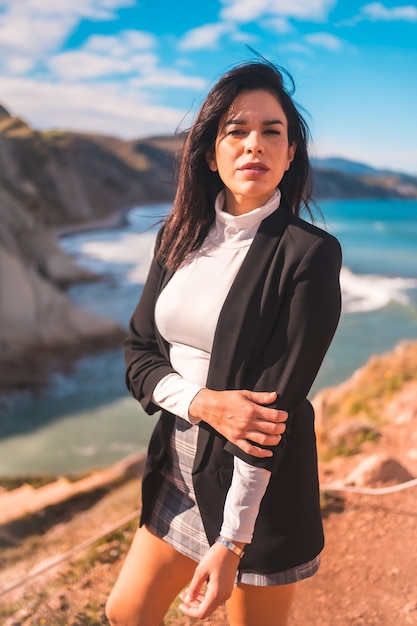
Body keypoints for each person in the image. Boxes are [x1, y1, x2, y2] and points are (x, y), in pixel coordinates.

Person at [106, 59, 342, 626]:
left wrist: (232, 542)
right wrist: (202, 402)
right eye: (235, 130)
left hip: (256, 481)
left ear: (290, 155)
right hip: (178, 456)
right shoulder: (178, 234)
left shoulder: (309, 255)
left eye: (271, 131)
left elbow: (270, 413)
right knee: (125, 612)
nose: (253, 145)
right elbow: (138, 353)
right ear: (211, 154)